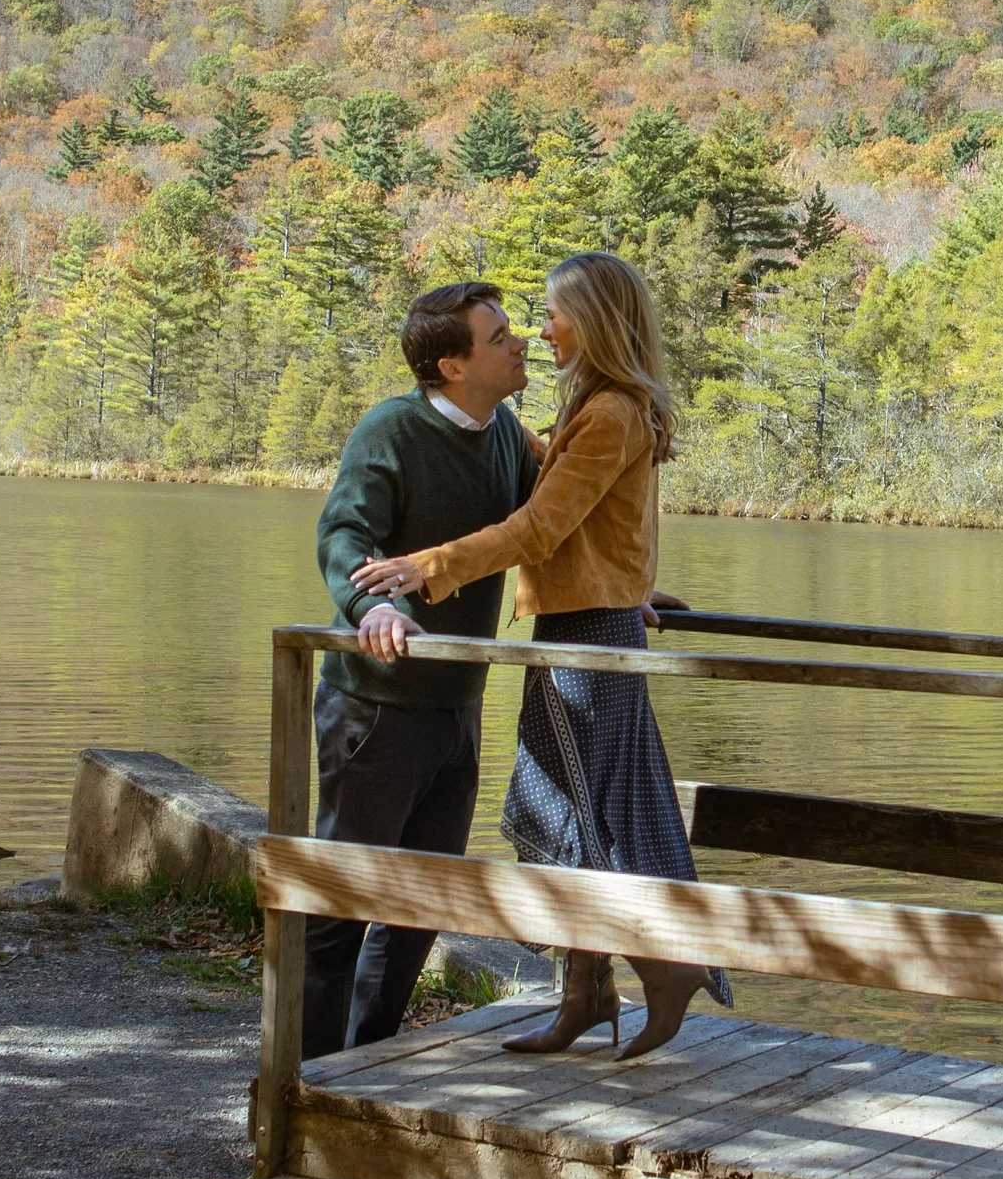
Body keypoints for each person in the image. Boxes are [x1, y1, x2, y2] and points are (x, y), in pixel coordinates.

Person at [350, 247, 726, 1063]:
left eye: (551, 314)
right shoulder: (602, 406)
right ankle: (584, 995)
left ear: (592, 322)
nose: (540, 330)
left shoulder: (613, 412)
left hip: (589, 637)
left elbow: (541, 527)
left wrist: (427, 567)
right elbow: (589, 512)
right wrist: (633, 583)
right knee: (577, 813)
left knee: (570, 814)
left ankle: (663, 966)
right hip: (590, 622)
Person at [304, 280, 536, 1058]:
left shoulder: (507, 433)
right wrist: (369, 609)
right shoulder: (390, 432)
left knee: (422, 904)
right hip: (373, 709)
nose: (519, 343)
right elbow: (343, 535)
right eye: (499, 336)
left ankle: (370, 1061)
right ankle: (307, 1073)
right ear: (451, 364)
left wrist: (623, 589)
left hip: (457, 707)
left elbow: (548, 528)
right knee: (341, 902)